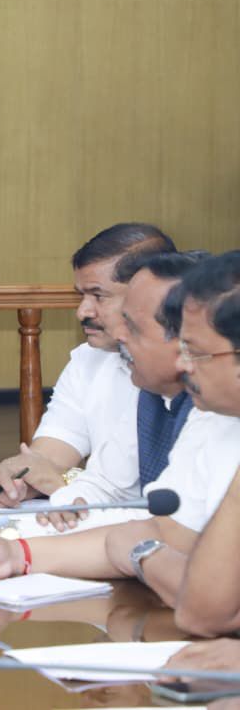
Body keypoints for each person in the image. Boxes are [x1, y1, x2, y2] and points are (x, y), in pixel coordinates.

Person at [0, 254, 240, 607]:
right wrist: (14, 554)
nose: (119, 334)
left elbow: (200, 599)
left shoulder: (206, 410)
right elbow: (151, 522)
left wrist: (134, 547)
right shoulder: (190, 407)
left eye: (193, 349)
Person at [0, 224, 175, 522]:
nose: (82, 311)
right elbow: (48, 458)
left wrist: (60, 484)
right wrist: (18, 479)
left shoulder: (193, 378)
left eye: (98, 295)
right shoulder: (88, 360)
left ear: (147, 295)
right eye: (81, 295)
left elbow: (166, 504)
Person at [162, 251, 240, 638]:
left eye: (195, 352)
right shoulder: (221, 423)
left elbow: (202, 614)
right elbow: (202, 610)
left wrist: (141, 554)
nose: (182, 365)